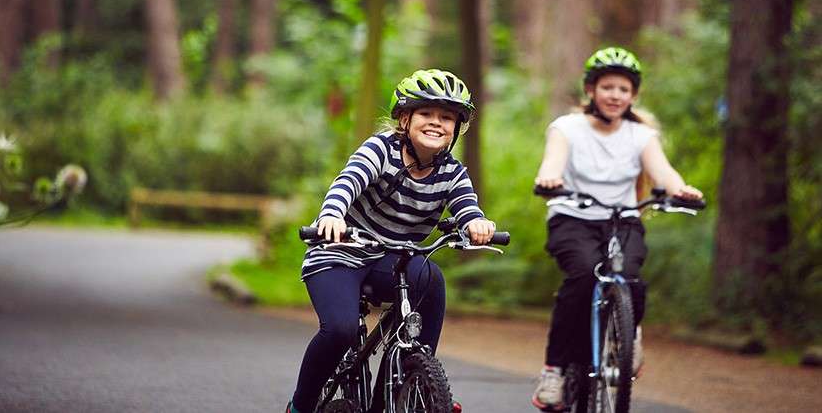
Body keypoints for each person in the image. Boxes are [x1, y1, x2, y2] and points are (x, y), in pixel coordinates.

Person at [286, 69, 496, 413]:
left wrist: (476, 222)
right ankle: (301, 405)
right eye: (426, 113)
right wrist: (332, 217)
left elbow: (465, 206)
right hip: (340, 252)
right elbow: (348, 182)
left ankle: (416, 380)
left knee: (430, 278)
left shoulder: (451, 172)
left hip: (392, 260)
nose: (436, 123)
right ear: (404, 118)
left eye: (447, 117)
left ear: (457, 127)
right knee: (339, 330)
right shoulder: (380, 149)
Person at [531, 47, 703, 411]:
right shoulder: (567, 128)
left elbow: (663, 172)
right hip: (572, 217)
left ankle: (627, 331)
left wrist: (679, 189)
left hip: (623, 218)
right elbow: (553, 161)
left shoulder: (641, 135)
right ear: (591, 90)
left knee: (631, 277)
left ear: (633, 95)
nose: (615, 95)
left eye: (623, 89)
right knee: (581, 276)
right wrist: (549, 178)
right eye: (607, 87)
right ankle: (555, 371)